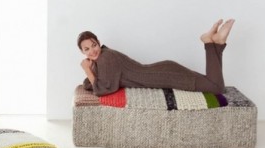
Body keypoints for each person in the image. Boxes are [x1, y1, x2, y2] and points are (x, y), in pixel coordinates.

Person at [78, 19, 235, 97]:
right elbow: (89, 84)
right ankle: (217, 43)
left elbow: (101, 89)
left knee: (217, 88)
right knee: (212, 83)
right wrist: (91, 69)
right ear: (82, 52)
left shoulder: (106, 58)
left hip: (166, 76)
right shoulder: (103, 58)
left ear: (98, 42)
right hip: (164, 72)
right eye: (87, 49)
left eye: (94, 45)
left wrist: (86, 69)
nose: (92, 51)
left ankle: (209, 42)